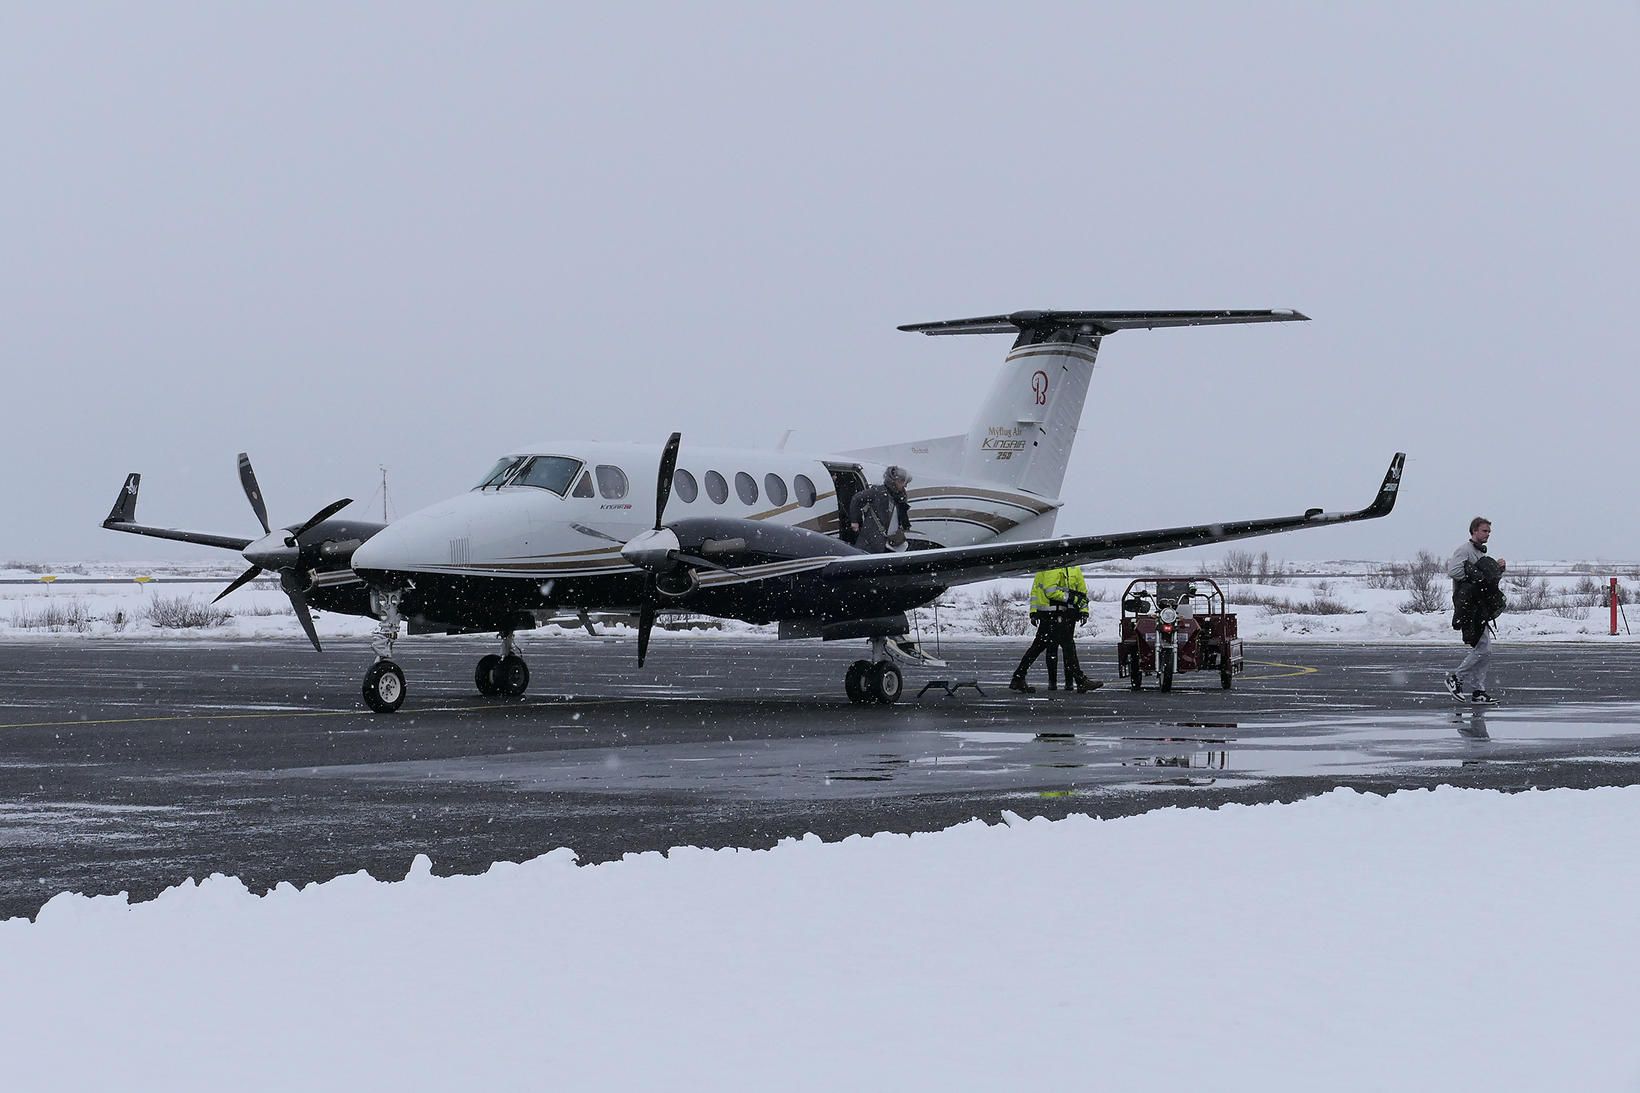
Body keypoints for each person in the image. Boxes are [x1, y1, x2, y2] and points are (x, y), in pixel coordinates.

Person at [1009, 565, 1102, 693]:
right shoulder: (1053, 567)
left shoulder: (1068, 568)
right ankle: (1080, 680)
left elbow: (1081, 592)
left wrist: (1082, 609)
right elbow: (1050, 591)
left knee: (1039, 646)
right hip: (1053, 615)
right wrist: (1073, 599)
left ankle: (1018, 677)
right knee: (1067, 646)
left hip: (1060, 615)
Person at [1445, 516, 1507, 704]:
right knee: (1483, 649)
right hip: (1469, 606)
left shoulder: (1480, 553)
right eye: (1484, 530)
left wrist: (1497, 570)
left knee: (1485, 649)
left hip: (1480, 606)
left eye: (1489, 531)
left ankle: (1478, 691)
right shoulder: (1465, 550)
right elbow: (1454, 571)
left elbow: (1486, 580)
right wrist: (1475, 575)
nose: (1487, 534)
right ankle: (1456, 678)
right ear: (1473, 531)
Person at [848, 466, 914, 553]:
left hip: (889, 541)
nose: (905, 485)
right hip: (871, 540)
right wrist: (855, 521)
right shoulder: (878, 491)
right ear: (895, 481)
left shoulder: (899, 497)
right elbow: (856, 499)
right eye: (903, 482)